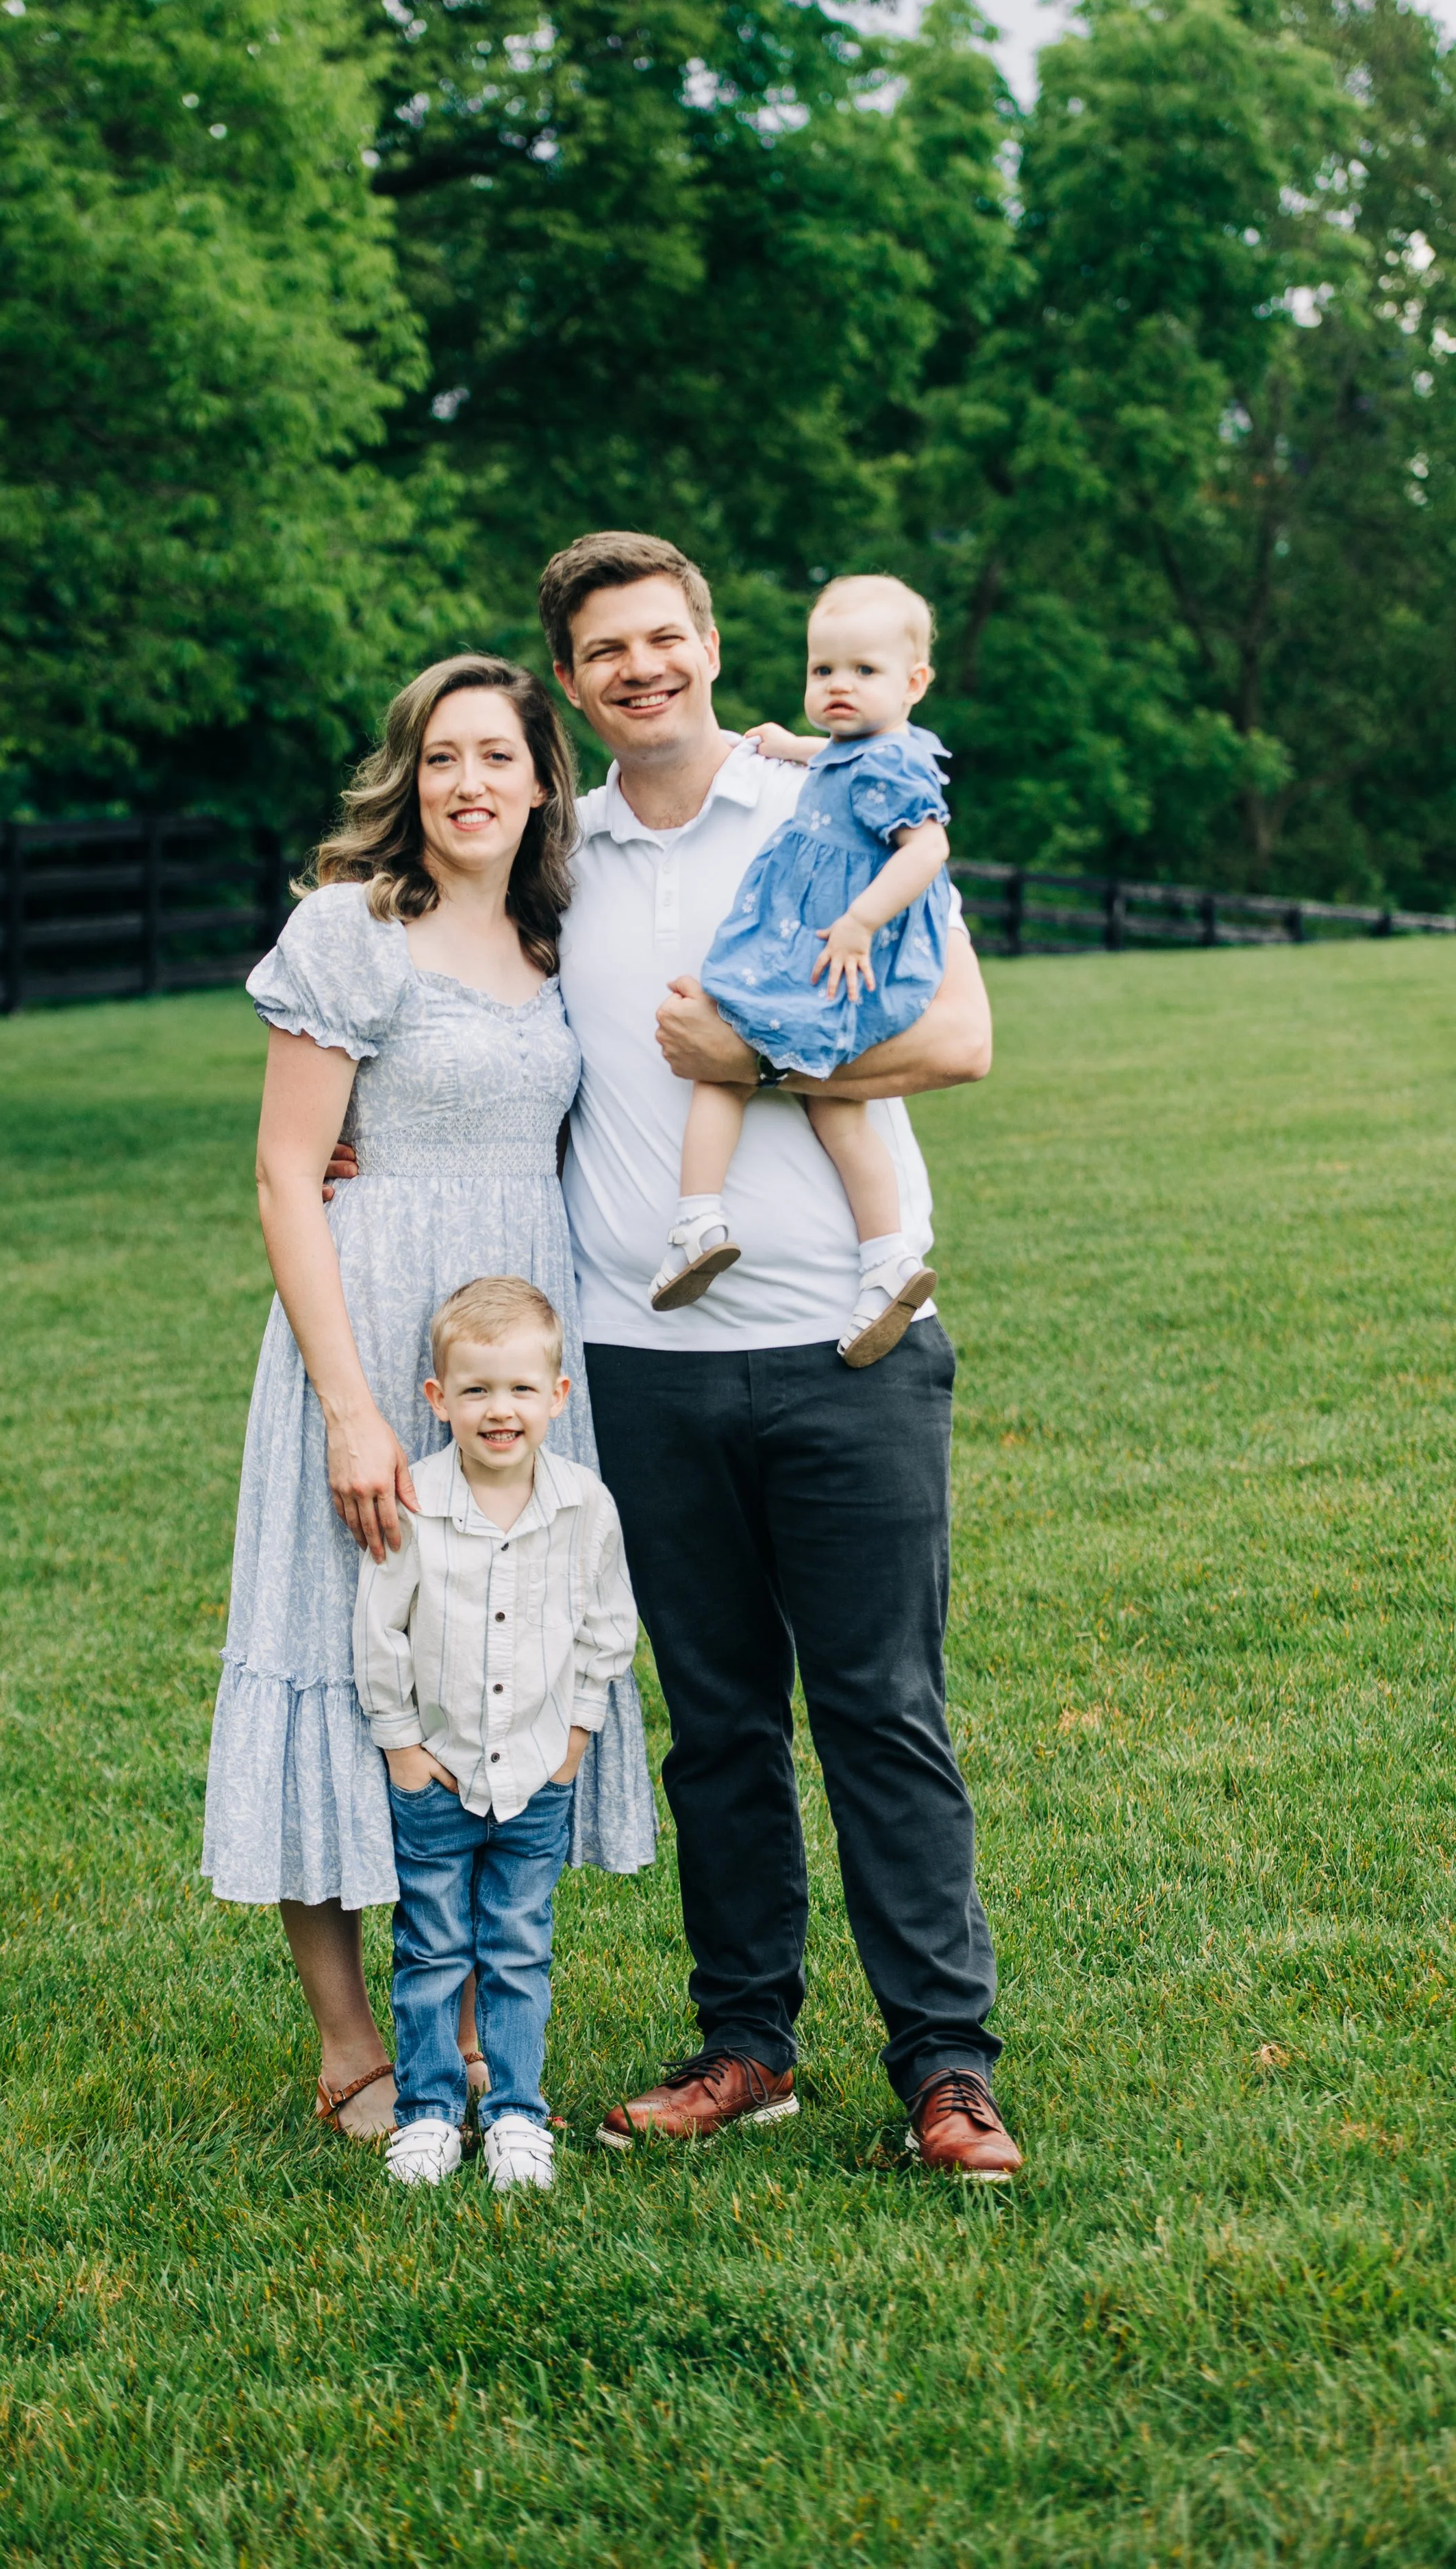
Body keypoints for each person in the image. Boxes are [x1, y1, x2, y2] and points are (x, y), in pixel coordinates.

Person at [543, 530, 1022, 2180]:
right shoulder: (560, 856)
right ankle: (746, 2043)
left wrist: (749, 1043)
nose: (643, 668)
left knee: (883, 1705)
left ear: (710, 642)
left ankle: (946, 2069)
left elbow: (960, 1035)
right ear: (572, 680)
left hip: (849, 1341)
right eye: (608, 650)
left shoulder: (822, 793)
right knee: (719, 1720)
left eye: (666, 637)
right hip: (643, 1354)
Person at [200, 655, 655, 2142]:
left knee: (488, 1667)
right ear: (411, 774)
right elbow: (284, 1170)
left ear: (543, 777)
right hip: (370, 1331)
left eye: (499, 756)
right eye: (442, 755)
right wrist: (351, 1410)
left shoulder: (556, 933)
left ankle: (457, 2032)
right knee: (343, 1654)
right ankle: (352, 2051)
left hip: (518, 1344)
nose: (470, 782)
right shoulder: (350, 931)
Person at [355, 1277, 638, 2193]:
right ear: (438, 1400)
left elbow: (607, 1625)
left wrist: (577, 1735)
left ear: (558, 1396)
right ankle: (430, 2112)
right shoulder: (416, 1503)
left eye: (521, 1388)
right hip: (436, 1772)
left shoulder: (584, 1504)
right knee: (431, 1945)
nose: (499, 1409)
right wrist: (400, 1744)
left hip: (535, 1773)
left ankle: (517, 2110)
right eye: (475, 1389)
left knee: (519, 1945)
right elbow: (379, 1629)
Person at [653, 574, 953, 1369]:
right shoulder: (859, 753)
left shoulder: (893, 767)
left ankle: (698, 1220)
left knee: (725, 1069)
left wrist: (858, 922)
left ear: (914, 683)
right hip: (811, 944)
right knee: (834, 1104)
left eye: (863, 672)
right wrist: (793, 746)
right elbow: (842, 766)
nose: (838, 686)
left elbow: (928, 848)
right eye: (824, 671)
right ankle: (884, 1255)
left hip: (826, 950)